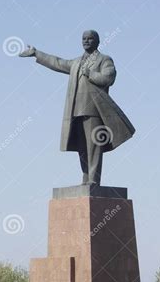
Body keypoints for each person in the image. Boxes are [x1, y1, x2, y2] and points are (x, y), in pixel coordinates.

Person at [19, 30, 135, 186]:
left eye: (90, 39)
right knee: (82, 148)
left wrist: (91, 73)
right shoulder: (76, 62)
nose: (86, 41)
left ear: (97, 42)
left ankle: (94, 179)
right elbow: (58, 62)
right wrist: (36, 53)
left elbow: (108, 78)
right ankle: (86, 177)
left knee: (94, 146)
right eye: (84, 39)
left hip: (94, 111)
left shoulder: (104, 60)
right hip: (76, 111)